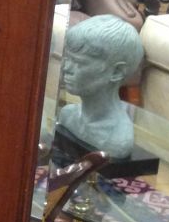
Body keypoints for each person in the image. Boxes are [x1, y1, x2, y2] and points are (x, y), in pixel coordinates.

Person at [57, 14, 145, 157]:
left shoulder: (118, 140)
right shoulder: (68, 115)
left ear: (116, 72)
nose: (66, 68)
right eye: (67, 58)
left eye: (79, 62)